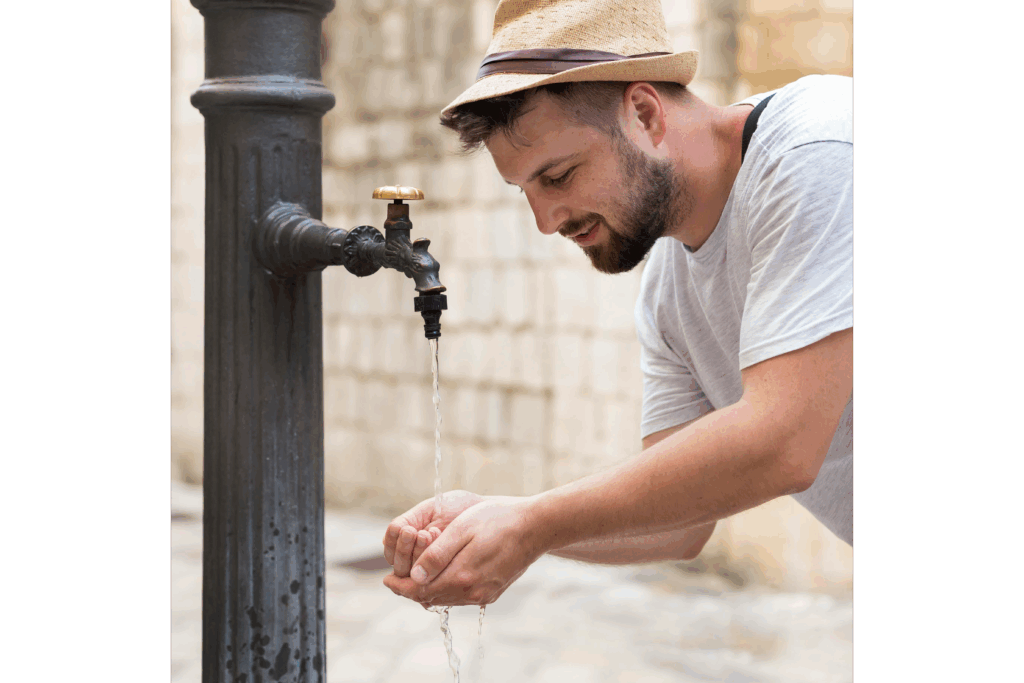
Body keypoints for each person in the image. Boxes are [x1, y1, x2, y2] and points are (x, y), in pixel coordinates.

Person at [382, 0, 852, 609]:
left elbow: (783, 442)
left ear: (644, 113)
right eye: (524, 191)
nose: (545, 221)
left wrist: (534, 523)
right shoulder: (668, 292)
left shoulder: (818, 148)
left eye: (558, 176)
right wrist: (497, 522)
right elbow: (677, 525)